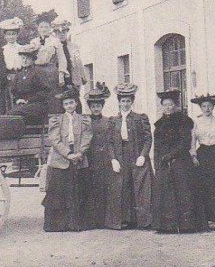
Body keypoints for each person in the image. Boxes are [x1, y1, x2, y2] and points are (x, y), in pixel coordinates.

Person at [151, 91, 206, 233]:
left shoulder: (183, 121)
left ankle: (186, 225)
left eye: (170, 104)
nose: (168, 107)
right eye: (165, 105)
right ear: (162, 106)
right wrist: (158, 161)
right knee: (165, 192)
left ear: (175, 105)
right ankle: (167, 226)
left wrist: (171, 155)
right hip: (164, 161)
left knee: (183, 190)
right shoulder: (159, 124)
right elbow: (157, 145)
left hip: (181, 160)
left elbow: (185, 142)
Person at [42, 87, 92, 233]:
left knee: (77, 191)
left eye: (71, 103)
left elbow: (87, 137)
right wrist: (68, 154)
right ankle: (59, 225)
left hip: (78, 157)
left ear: (76, 103)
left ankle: (76, 223)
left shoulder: (84, 120)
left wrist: (80, 152)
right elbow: (55, 140)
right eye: (66, 104)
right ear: (63, 106)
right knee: (59, 191)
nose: (69, 106)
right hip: (61, 158)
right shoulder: (56, 120)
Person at [104, 84, 153, 230]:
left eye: (128, 101)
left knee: (140, 186)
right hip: (121, 155)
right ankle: (125, 219)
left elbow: (148, 139)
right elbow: (109, 142)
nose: (125, 104)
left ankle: (142, 221)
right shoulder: (113, 120)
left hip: (137, 154)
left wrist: (143, 155)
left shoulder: (140, 118)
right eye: (123, 101)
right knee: (123, 186)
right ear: (119, 102)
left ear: (132, 102)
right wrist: (113, 159)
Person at [190, 93, 215, 229]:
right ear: (200, 108)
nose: (207, 109)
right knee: (203, 186)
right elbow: (192, 141)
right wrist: (193, 156)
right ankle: (205, 219)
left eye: (209, 106)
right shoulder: (196, 122)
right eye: (204, 106)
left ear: (213, 107)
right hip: (202, 154)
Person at [83, 83, 114, 230]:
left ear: (102, 106)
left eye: (98, 106)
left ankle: (105, 220)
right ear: (90, 107)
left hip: (105, 159)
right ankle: (92, 221)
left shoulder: (109, 121)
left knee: (105, 188)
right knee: (91, 188)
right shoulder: (85, 121)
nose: (96, 108)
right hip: (90, 158)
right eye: (93, 106)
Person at [31, 14, 68, 115]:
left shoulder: (55, 41)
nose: (44, 29)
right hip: (37, 71)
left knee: (53, 97)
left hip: (51, 71)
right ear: (38, 28)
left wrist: (61, 75)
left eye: (46, 27)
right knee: (38, 95)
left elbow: (62, 59)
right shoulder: (33, 42)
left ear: (50, 28)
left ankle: (54, 118)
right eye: (41, 27)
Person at [8, 44, 51, 126]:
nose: (24, 61)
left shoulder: (39, 72)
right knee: (10, 114)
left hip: (37, 104)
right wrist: (17, 100)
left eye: (27, 58)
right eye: (23, 58)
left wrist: (28, 100)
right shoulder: (19, 75)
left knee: (13, 114)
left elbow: (45, 91)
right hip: (22, 105)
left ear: (33, 59)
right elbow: (14, 91)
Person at [52, 17, 87, 103]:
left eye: (63, 32)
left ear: (67, 32)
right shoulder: (53, 47)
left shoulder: (74, 47)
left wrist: (82, 75)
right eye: (59, 33)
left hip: (73, 77)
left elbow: (78, 61)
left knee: (75, 100)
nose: (61, 35)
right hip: (60, 79)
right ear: (56, 34)